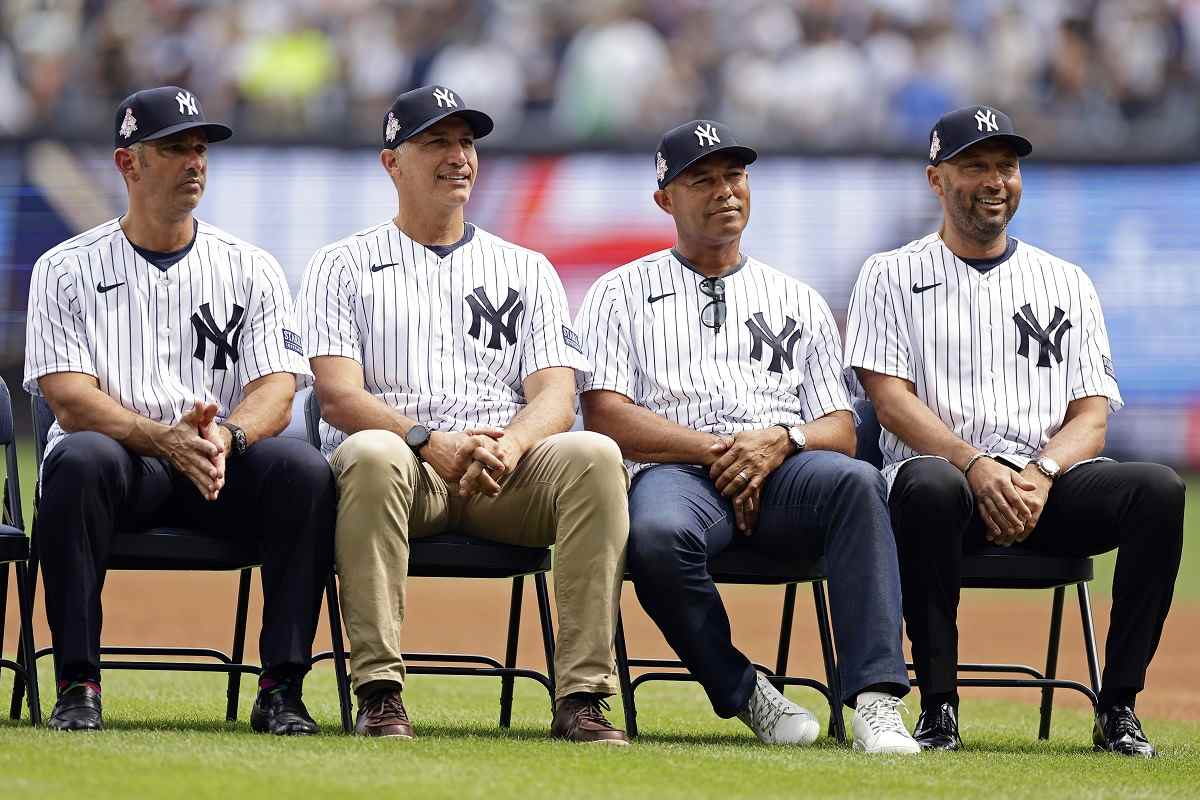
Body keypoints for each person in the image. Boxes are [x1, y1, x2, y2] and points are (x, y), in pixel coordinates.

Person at [844, 105, 1184, 756]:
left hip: (1043, 487)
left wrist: (1041, 474)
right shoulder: (889, 273)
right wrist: (975, 465)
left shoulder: (1066, 281)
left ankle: (1118, 707)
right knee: (928, 487)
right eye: (974, 166)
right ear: (936, 180)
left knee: (1159, 492)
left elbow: (1092, 416)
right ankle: (938, 707)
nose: (995, 180)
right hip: (942, 490)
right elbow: (889, 401)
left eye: (1007, 165)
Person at [297, 85, 630, 743]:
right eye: (436, 142)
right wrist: (429, 441)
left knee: (596, 455)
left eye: (467, 142)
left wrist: (510, 444)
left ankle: (583, 698)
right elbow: (337, 395)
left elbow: (557, 396)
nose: (459, 157)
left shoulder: (524, 268)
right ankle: (379, 692)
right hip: (405, 471)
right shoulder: (342, 265)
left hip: (506, 473)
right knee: (369, 451)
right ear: (392, 163)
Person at [575, 119, 920, 754]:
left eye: (734, 175)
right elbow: (606, 416)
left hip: (786, 474)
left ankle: (875, 700)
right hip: (676, 472)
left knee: (858, 482)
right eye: (701, 180)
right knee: (653, 536)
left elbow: (840, 428)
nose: (724, 191)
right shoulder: (618, 292)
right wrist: (722, 451)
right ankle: (744, 690)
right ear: (664, 200)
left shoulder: (796, 297)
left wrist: (780, 442)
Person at [23, 86, 336, 734]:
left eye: (200, 148)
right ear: (127, 163)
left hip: (217, 464)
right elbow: (69, 397)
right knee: (77, 458)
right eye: (174, 148)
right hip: (120, 464)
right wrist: (162, 438)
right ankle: (77, 684)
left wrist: (227, 437)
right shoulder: (64, 268)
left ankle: (282, 689)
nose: (195, 161)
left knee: (303, 470)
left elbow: (278, 386)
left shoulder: (250, 265)